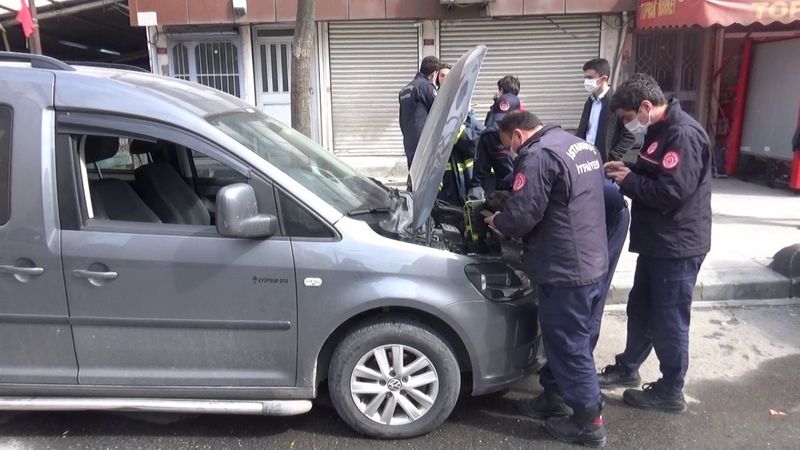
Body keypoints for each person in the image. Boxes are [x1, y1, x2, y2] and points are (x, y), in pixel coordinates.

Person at [484, 111, 609, 448]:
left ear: (518, 136)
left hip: (565, 268)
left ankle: (589, 422)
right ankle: (553, 398)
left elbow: (524, 213)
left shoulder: (538, 155)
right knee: (564, 339)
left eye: (507, 144)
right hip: (592, 260)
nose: (508, 151)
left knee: (570, 344)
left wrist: (499, 221)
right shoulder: (579, 146)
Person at [600, 73, 712, 414]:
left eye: (627, 118)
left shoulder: (683, 134)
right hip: (657, 242)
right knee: (641, 308)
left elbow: (672, 192)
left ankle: (670, 390)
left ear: (646, 107)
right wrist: (628, 167)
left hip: (677, 245)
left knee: (669, 319)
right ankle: (629, 366)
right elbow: (658, 171)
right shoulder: (658, 131)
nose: (628, 125)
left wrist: (630, 180)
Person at [468, 76, 522, 199]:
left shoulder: (532, 142)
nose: (502, 129)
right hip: (501, 191)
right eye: (500, 124)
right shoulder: (490, 134)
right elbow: (481, 168)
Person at [576, 58, 637, 162]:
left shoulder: (618, 102)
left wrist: (612, 156)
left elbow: (631, 134)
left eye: (590, 77)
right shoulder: (590, 102)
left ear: (604, 78)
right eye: (585, 77)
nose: (586, 81)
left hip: (605, 164)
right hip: (586, 161)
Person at [399, 56, 440, 169]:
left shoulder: (405, 89)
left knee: (413, 175)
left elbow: (402, 120)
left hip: (409, 142)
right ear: (434, 74)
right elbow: (440, 111)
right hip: (423, 143)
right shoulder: (426, 87)